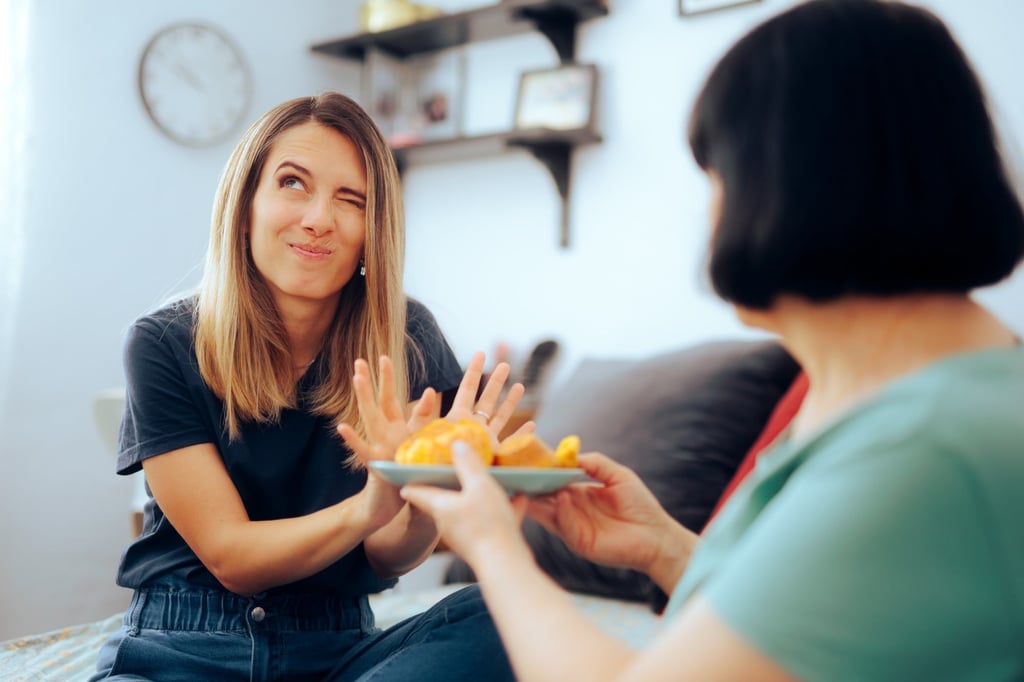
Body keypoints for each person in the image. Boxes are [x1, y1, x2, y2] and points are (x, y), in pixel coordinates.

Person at [350, 2, 1024, 680]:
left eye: (717, 175)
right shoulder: (915, 397)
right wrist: (664, 549)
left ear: (798, 183)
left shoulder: (922, 449)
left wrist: (496, 548)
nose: (709, 214)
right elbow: (819, 619)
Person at [90, 92, 521, 681]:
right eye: (293, 183)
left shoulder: (406, 336)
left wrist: (424, 496)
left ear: (372, 231)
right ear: (246, 204)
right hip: (185, 648)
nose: (319, 218)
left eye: (351, 199)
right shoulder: (164, 342)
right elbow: (232, 556)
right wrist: (368, 506)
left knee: (502, 608)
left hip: (338, 651)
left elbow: (388, 554)